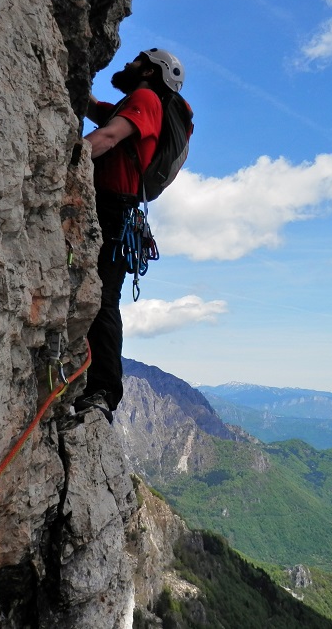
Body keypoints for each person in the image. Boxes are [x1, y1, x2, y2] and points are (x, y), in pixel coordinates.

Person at [74, 48, 187, 424]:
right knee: (102, 295)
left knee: (103, 298)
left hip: (111, 210)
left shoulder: (145, 98)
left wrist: (60, 159)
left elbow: (107, 136)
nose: (129, 62)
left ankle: (103, 390)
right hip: (118, 211)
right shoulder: (136, 101)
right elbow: (96, 111)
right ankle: (97, 384)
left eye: (139, 59)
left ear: (151, 72)